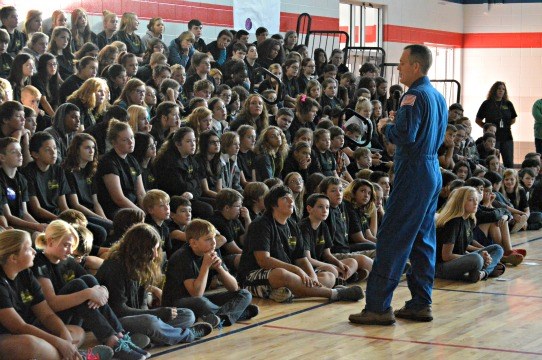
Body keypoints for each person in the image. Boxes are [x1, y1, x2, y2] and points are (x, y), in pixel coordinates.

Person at [349, 44, 448, 325]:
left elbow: (405, 135)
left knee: (392, 238)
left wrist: (385, 127)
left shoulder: (413, 96)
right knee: (422, 239)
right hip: (431, 168)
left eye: (402, 62)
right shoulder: (437, 97)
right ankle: (420, 301)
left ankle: (378, 306)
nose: (398, 67)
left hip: (414, 171)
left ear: (416, 66)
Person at [32, 220, 150, 360]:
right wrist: (87, 294)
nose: (70, 251)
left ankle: (119, 336)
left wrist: (103, 289)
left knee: (89, 281)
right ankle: (111, 340)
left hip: (74, 317)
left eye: (71, 246)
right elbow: (52, 303)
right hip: (50, 320)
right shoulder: (39, 263)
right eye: (66, 245)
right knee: (78, 285)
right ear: (51, 241)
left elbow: (93, 284)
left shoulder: (68, 260)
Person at [237, 185, 364, 303]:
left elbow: (301, 258)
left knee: (329, 276)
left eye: (291, 197)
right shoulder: (261, 224)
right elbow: (263, 260)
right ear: (273, 205)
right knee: (281, 274)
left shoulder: (292, 224)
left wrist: (313, 277)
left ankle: (287, 292)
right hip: (252, 277)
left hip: (288, 275)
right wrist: (297, 270)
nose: (291, 201)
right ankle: (334, 294)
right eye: (285, 198)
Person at [96, 223, 213, 346]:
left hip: (139, 317)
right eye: (152, 249)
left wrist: (158, 312)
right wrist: (157, 313)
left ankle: (146, 339)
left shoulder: (140, 264)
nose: (156, 254)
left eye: (157, 249)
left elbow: (142, 306)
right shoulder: (114, 267)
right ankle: (187, 334)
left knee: (187, 315)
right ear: (138, 248)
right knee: (150, 321)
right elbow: (119, 311)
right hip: (115, 322)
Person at [0, 229, 87, 359]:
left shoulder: (26, 273)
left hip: (26, 331)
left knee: (77, 332)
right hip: (7, 336)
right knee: (30, 345)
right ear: (13, 258)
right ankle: (73, 355)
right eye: (28, 248)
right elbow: (18, 327)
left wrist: (64, 336)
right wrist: (59, 343)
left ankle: (63, 354)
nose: (34, 251)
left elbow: (46, 314)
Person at [162, 219, 257, 328]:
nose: (213, 242)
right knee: (201, 302)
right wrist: (205, 266)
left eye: (214, 237)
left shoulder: (211, 252)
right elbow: (196, 294)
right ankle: (233, 314)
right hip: (178, 303)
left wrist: (219, 268)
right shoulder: (182, 257)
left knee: (244, 294)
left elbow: (234, 288)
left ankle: (222, 317)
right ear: (193, 243)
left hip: (201, 297)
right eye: (208, 239)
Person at [435, 187, 505, 283]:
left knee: (497, 248)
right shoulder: (453, 222)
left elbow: (463, 246)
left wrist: (484, 253)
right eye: (471, 200)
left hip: (459, 259)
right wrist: (480, 257)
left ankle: (482, 273)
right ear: (460, 202)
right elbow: (446, 256)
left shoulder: (469, 220)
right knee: (477, 259)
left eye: (476, 200)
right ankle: (486, 271)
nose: (476, 203)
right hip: (441, 267)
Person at [476, 81, 517, 168]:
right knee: (494, 162)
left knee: (509, 162)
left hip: (507, 137)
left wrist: (506, 126)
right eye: (499, 89)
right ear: (494, 90)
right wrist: (487, 128)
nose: (501, 91)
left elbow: (513, 119)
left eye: (503, 89)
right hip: (492, 138)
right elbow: (478, 120)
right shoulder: (486, 103)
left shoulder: (508, 104)